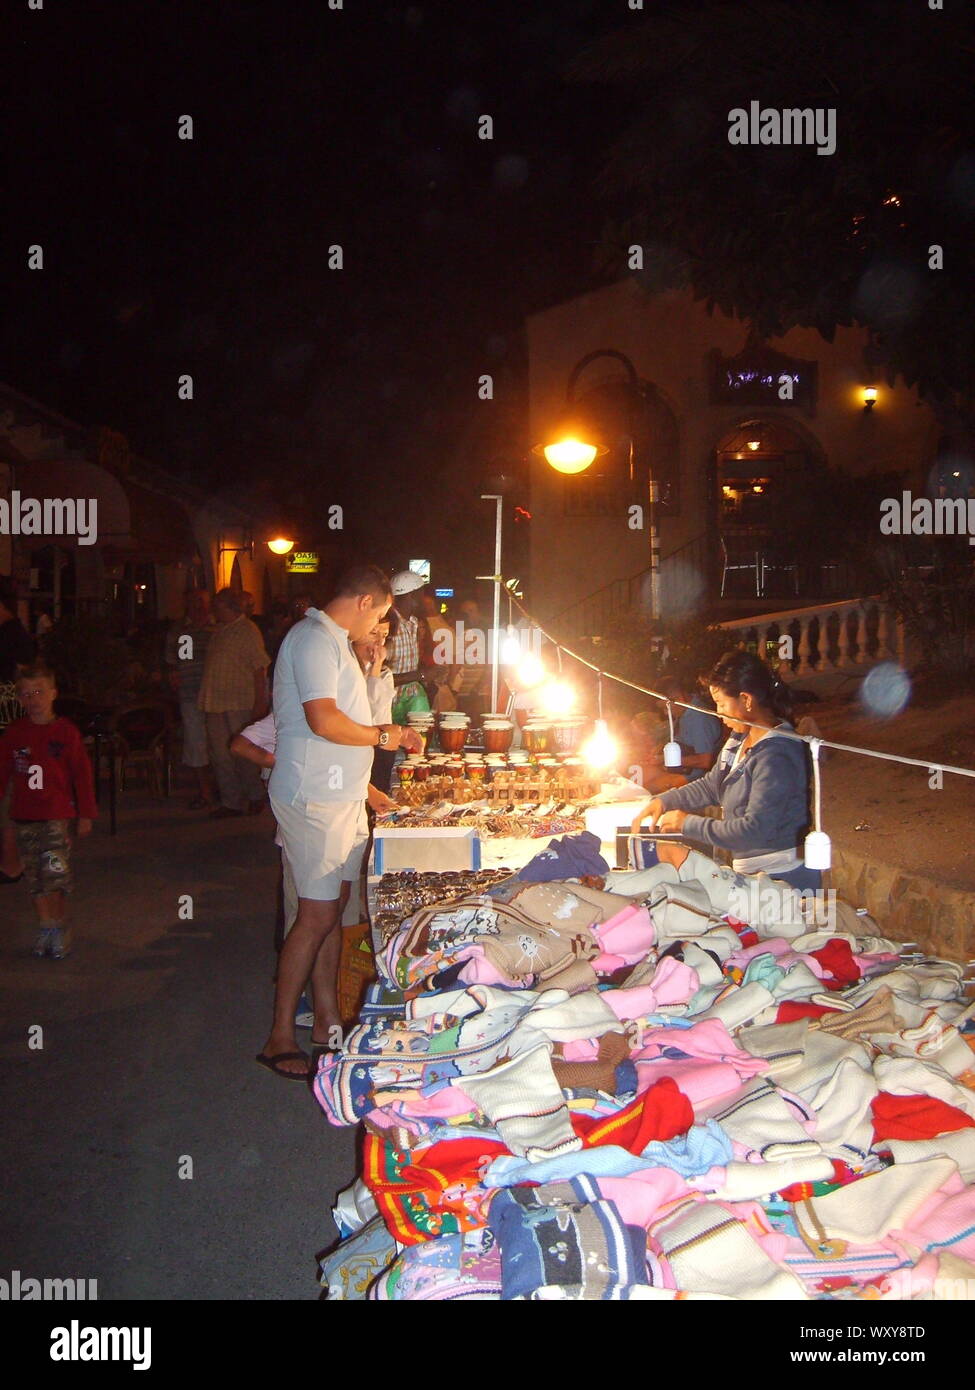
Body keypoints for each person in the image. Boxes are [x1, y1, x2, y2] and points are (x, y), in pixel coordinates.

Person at [256, 564, 422, 1080]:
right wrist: (384, 737)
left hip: (341, 797)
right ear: (366, 602)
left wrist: (367, 789)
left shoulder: (336, 645)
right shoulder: (313, 639)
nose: (379, 628)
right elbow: (323, 720)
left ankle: (328, 1017)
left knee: (331, 915)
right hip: (314, 798)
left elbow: (344, 717)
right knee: (313, 916)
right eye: (381, 615)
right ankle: (280, 1033)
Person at [631, 650, 820, 891]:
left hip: (782, 878)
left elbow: (754, 830)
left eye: (721, 703)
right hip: (754, 873)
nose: (718, 713)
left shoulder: (776, 755)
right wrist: (665, 801)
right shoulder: (740, 736)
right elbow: (713, 784)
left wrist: (686, 823)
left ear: (746, 700)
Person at [0, 664, 96, 959]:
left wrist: (85, 813)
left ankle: (59, 924)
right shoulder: (15, 733)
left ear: (53, 694)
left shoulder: (66, 732)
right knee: (34, 876)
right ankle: (46, 925)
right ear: (20, 699)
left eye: (40, 692)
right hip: (24, 816)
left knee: (54, 873)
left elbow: (81, 773)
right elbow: (3, 772)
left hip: (55, 816)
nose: (34, 699)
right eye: (27, 694)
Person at [197, 588, 270, 817]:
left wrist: (260, 701)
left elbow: (260, 667)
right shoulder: (220, 630)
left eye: (217, 606)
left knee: (242, 751)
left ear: (229, 607)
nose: (213, 610)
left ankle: (255, 794)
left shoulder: (247, 630)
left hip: (239, 701)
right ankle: (231, 801)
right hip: (215, 701)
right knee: (219, 754)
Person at [165, 590, 217, 811]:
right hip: (191, 695)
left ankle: (224, 788)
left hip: (217, 696)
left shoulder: (219, 628)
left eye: (203, 602)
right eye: (195, 602)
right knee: (196, 744)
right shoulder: (180, 632)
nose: (199, 607)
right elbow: (174, 662)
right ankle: (205, 792)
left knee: (219, 743)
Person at [630, 674, 722, 794]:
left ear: (678, 698)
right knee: (636, 776)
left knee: (645, 789)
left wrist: (666, 759)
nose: (665, 712)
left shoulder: (699, 718)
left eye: (665, 708)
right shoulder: (685, 710)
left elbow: (705, 761)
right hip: (681, 768)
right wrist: (659, 751)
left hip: (696, 776)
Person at [0, 579, 35, 885]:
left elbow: (27, 679)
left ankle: (12, 862)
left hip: (9, 721)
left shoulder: (14, 634)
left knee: (10, 789)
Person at [352, 617, 397, 793]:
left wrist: (376, 667)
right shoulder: (347, 670)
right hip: (356, 746)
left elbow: (376, 708)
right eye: (373, 632)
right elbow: (367, 711)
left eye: (384, 635)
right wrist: (375, 667)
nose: (379, 641)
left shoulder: (385, 674)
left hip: (381, 748)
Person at [387, 570, 431, 724]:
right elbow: (375, 678)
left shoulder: (414, 624)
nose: (425, 600)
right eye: (422, 594)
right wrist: (421, 675)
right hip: (388, 707)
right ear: (412, 596)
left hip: (412, 702)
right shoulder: (387, 626)